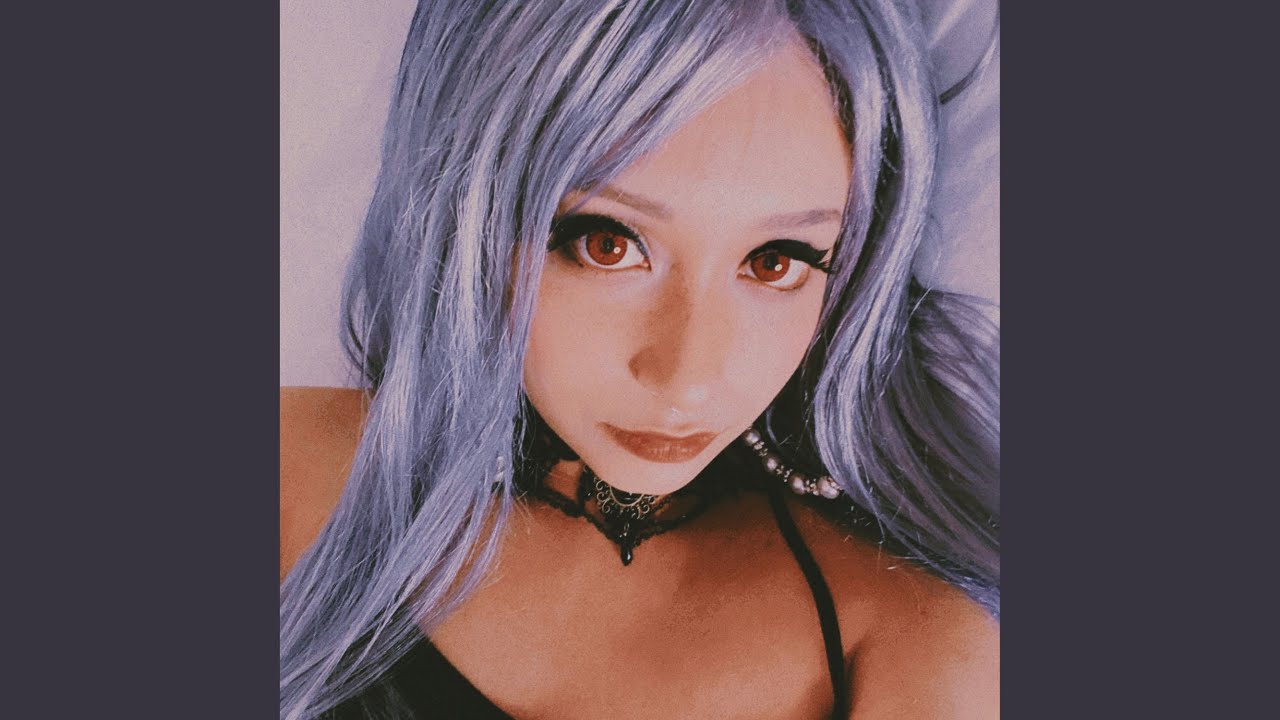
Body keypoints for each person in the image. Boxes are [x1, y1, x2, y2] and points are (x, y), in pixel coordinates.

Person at [281, 1, 1000, 718]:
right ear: (467, 215)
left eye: (775, 261)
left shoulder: (916, 646)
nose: (689, 377)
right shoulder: (288, 470)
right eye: (608, 245)